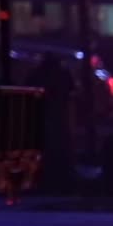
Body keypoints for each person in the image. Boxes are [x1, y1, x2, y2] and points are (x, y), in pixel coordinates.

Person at [25, 53, 75, 188]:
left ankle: (51, 177)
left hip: (48, 117)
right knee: (56, 144)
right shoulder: (61, 75)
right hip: (54, 117)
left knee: (51, 144)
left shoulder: (38, 75)